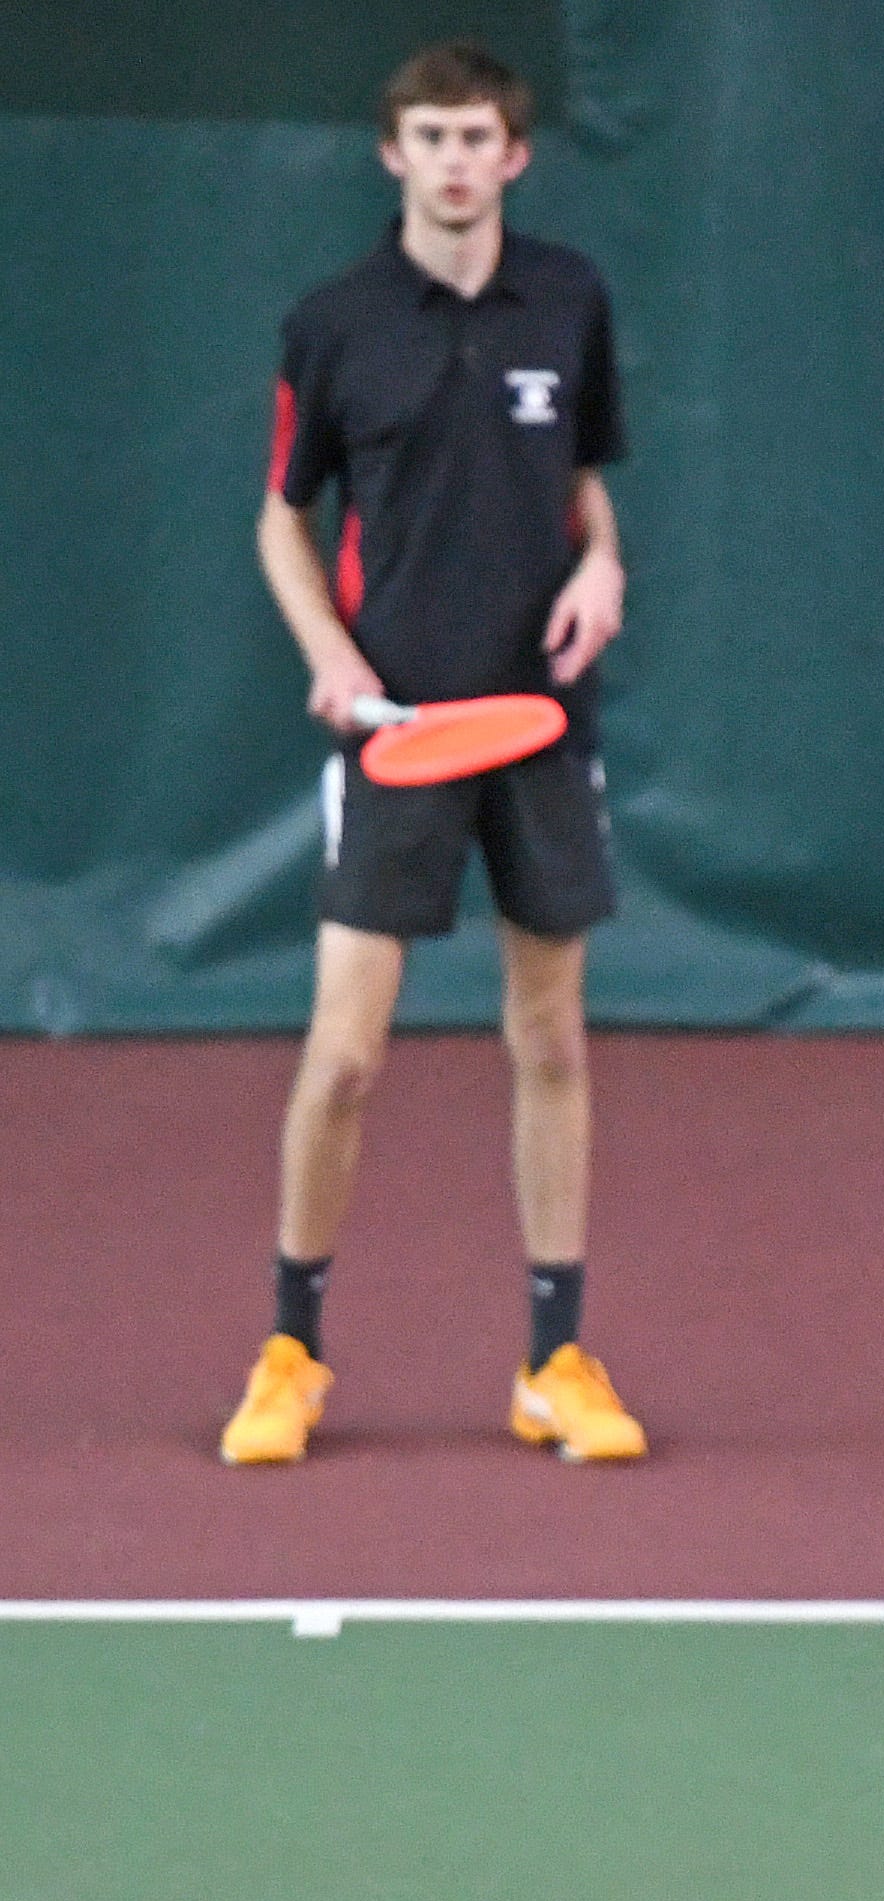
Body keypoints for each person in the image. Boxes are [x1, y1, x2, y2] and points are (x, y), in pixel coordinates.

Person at [222, 43, 644, 1465]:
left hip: (539, 721)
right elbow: (283, 515)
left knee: (550, 1040)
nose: (457, 158)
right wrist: (331, 664)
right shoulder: (333, 323)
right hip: (396, 730)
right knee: (343, 1058)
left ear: (513, 158)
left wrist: (605, 567)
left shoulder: (571, 300)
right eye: (431, 136)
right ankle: (290, 1346)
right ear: (392, 154)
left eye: (479, 137)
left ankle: (556, 1357)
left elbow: (583, 488)